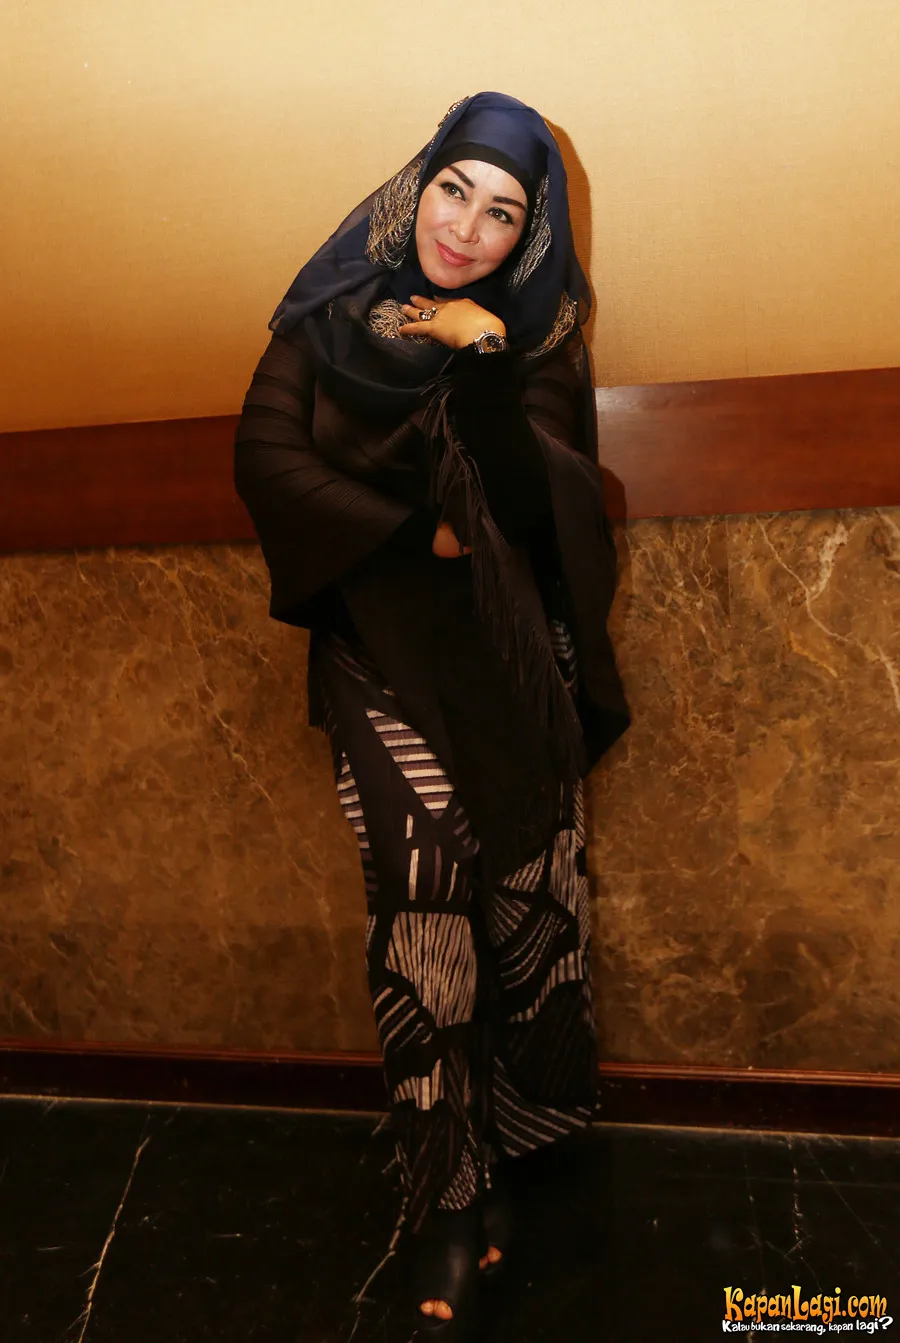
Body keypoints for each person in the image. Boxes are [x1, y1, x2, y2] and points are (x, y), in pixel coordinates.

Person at [234, 90, 631, 1341]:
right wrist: (419, 532)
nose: (466, 226)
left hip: (504, 660)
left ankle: (515, 1131)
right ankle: (447, 1189)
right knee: (422, 888)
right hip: (379, 644)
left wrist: (485, 352)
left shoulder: (535, 340)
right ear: (418, 186)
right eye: (455, 189)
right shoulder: (326, 314)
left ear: (528, 236)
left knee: (515, 891)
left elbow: (536, 500)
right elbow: (267, 459)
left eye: (503, 212)